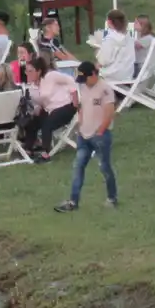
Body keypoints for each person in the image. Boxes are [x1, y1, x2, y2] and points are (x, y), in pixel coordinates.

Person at [54, 61, 119, 212]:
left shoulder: (105, 90)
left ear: (94, 74)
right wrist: (80, 123)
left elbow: (110, 112)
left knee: (104, 166)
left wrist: (101, 130)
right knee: (78, 166)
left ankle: (112, 197)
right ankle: (73, 201)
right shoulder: (83, 87)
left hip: (100, 136)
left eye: (86, 79)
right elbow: (82, 106)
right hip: (84, 135)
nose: (84, 83)